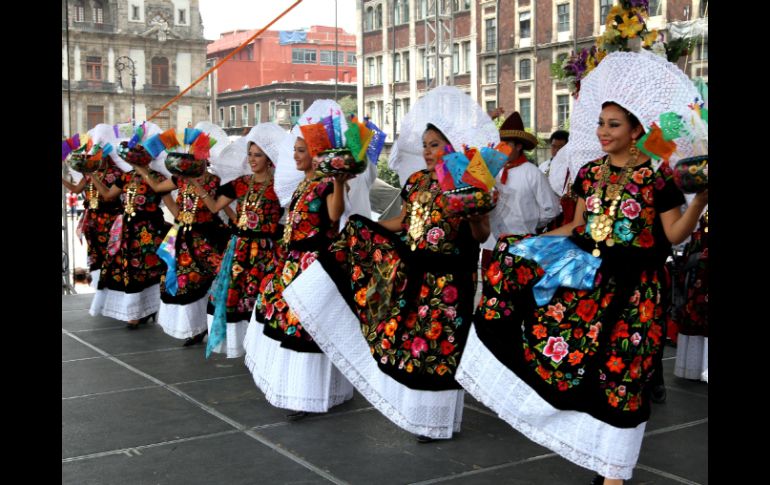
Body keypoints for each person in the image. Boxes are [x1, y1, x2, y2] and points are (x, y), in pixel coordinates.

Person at [455, 50, 708, 484]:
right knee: (579, 366)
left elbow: (673, 235)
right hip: (589, 283)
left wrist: (701, 199)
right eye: (601, 123)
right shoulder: (589, 174)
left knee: (624, 377)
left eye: (614, 124)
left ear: (635, 131)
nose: (604, 131)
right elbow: (576, 225)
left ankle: (615, 473)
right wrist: (529, 245)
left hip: (638, 292)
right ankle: (600, 458)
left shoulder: (658, 176)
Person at [282, 86, 499, 442]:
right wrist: (363, 225)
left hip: (451, 277)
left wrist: (475, 213)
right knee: (414, 342)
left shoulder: (469, 184)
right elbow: (401, 221)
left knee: (441, 345)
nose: (429, 151)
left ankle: (440, 421)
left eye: (436, 144)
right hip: (417, 272)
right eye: (426, 144)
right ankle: (420, 417)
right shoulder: (415, 182)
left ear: (453, 146)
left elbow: (480, 234)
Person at [244, 100, 354, 420]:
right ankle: (303, 391)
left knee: (304, 328)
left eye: (301, 150)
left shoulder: (324, 183)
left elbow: (334, 217)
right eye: (295, 149)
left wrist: (338, 179)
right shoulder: (302, 183)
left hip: (313, 263)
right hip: (291, 260)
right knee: (284, 321)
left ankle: (306, 395)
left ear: (317, 153)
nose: (295, 156)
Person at [135, 129, 229, 347]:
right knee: (183, 281)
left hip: (207, 235)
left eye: (200, 158)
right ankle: (194, 327)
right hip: (182, 235)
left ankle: (205, 324)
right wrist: (141, 168)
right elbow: (159, 189)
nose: (198, 161)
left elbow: (217, 209)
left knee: (205, 280)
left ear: (206, 160)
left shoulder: (215, 181)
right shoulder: (181, 179)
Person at [202, 123, 287, 358]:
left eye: (257, 155)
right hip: (239, 248)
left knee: (262, 296)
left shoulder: (280, 186)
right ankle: (241, 345)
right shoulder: (241, 183)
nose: (252, 159)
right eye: (250, 154)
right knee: (235, 296)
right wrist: (197, 186)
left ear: (268, 158)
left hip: (266, 249)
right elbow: (214, 206)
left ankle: (262, 349)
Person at [88, 123, 171, 328]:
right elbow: (108, 195)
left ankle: (147, 310)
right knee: (129, 270)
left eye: (141, 153)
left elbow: (172, 205)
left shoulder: (157, 178)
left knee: (147, 268)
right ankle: (135, 312)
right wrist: (90, 175)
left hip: (148, 230)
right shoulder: (125, 177)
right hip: (127, 230)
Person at [481, 112, 560, 269]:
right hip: (491, 245)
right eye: (499, 144)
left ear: (519, 146)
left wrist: (530, 223)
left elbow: (551, 209)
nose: (501, 149)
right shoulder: (489, 171)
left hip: (523, 245)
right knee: (491, 292)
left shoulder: (533, 173)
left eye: (507, 144)